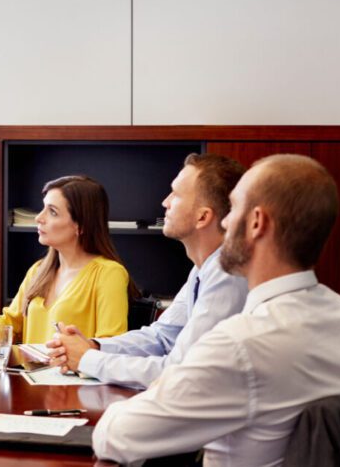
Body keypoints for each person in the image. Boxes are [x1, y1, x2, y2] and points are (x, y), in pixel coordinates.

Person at [93, 154, 340, 466]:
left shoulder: (239, 346)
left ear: (257, 223)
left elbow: (116, 437)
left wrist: (160, 385)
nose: (225, 221)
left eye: (233, 208)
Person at [48, 153, 248, 388]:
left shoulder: (227, 274)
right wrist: (95, 346)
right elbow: (162, 337)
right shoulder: (203, 269)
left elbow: (179, 370)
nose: (165, 202)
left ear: (202, 216)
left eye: (176, 194)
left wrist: (88, 359)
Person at [0, 175, 134, 344]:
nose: (39, 218)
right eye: (43, 208)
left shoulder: (109, 274)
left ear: (80, 225)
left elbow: (109, 345)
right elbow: (8, 322)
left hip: (72, 371)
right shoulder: (38, 270)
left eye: (52, 212)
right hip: (27, 370)